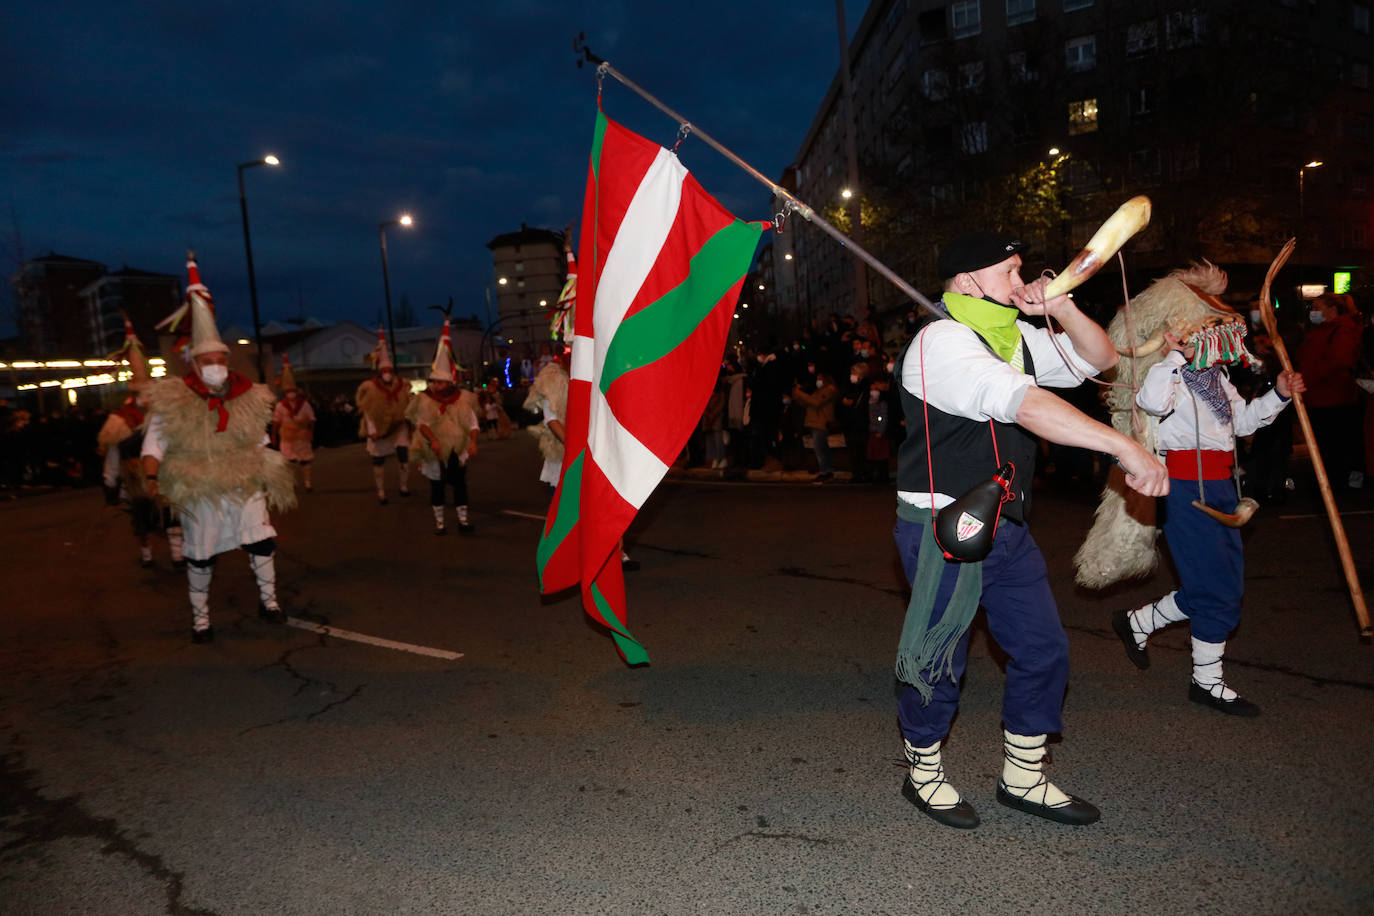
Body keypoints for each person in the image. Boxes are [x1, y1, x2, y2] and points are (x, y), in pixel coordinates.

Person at [893, 231, 1168, 829]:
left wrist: (1062, 307)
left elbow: (1100, 360)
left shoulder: (1011, 336)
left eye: (1023, 269)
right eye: (1010, 270)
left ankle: (1023, 775)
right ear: (967, 282)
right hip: (946, 525)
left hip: (1005, 522)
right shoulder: (939, 341)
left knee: (1044, 649)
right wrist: (1124, 447)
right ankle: (924, 769)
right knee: (938, 656)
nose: (1023, 280)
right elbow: (1022, 403)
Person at [1113, 322, 1303, 716]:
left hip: (1221, 487)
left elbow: (1244, 423)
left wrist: (1280, 394)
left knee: (1220, 583)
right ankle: (1206, 680)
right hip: (1184, 488)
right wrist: (1175, 356)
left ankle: (1140, 622)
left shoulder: (1217, 377)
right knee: (1216, 589)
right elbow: (1151, 402)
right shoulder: (1170, 374)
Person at [141, 253, 295, 643]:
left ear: (227, 361)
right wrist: (151, 478)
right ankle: (202, 620)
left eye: (219, 359)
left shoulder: (248, 395)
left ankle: (269, 601)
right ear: (194, 364)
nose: (214, 365)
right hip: (200, 487)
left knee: (261, 540)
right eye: (206, 360)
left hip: (242, 482)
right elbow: (153, 445)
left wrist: (271, 464)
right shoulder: (173, 399)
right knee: (201, 554)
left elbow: (260, 440)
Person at [96, 317, 184, 568]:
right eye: (142, 393)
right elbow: (113, 458)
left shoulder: (166, 415)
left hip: (166, 472)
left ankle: (178, 554)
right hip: (135, 476)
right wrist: (111, 485)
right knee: (141, 515)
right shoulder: (119, 420)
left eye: (150, 392)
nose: (147, 398)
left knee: (172, 512)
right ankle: (147, 554)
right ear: (134, 394)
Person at [409, 315, 480, 535]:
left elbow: (472, 423)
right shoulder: (425, 400)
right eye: (434, 381)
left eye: (439, 382)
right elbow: (422, 424)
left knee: (460, 485)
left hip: (456, 450)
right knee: (437, 486)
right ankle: (440, 523)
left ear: (449, 382)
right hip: (434, 449)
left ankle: (463, 521)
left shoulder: (462, 399)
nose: (436, 385)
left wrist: (473, 442)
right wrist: (433, 441)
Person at [1296, 294, 1365, 490]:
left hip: (1333, 398)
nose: (1313, 312)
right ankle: (1329, 480)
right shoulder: (1323, 331)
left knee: (1334, 445)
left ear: (1332, 310)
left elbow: (1339, 361)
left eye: (1317, 307)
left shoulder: (1342, 330)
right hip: (1318, 397)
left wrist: (1308, 378)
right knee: (1326, 444)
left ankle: (1336, 483)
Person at [355, 328, 413, 504]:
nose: (387, 372)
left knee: (404, 457)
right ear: (380, 372)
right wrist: (372, 430)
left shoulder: (402, 386)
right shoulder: (370, 388)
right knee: (378, 460)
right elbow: (366, 410)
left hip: (399, 427)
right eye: (384, 370)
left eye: (389, 369)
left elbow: (410, 405)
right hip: (379, 428)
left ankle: (404, 486)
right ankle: (381, 491)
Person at [271, 355, 316, 492]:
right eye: (288, 391)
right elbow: (276, 422)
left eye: (293, 391)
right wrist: (274, 436)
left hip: (302, 436)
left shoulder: (304, 404)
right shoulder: (280, 406)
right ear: (285, 393)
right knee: (289, 462)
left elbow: (312, 420)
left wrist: (310, 433)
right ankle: (292, 482)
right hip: (286, 437)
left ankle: (308, 482)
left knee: (305, 460)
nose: (291, 394)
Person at [791, 370, 837, 483]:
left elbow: (815, 402)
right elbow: (809, 403)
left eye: (820, 379)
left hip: (821, 422)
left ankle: (825, 471)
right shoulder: (819, 391)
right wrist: (797, 397)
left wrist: (799, 394)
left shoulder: (829, 390)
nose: (818, 381)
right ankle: (826, 470)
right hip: (815, 422)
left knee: (820, 448)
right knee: (821, 448)